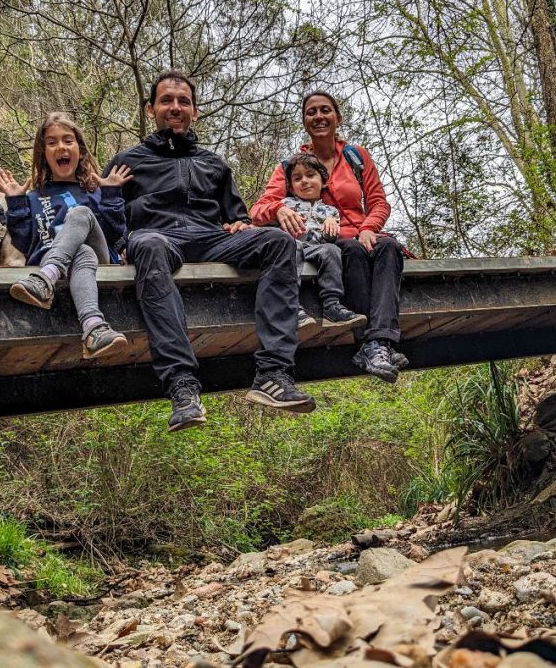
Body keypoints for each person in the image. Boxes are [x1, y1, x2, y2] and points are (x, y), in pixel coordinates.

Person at [103, 70, 316, 432]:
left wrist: (240, 223)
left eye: (183, 101)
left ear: (195, 111)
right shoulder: (128, 161)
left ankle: (273, 374)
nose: (175, 107)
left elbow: (237, 215)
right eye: (167, 100)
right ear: (151, 108)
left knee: (278, 241)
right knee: (149, 245)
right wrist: (120, 242)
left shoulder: (213, 163)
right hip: (157, 238)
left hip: (210, 238)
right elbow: (107, 215)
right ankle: (182, 387)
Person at [250, 91, 407, 383]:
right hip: (329, 242)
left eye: (325, 110)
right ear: (305, 122)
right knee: (353, 252)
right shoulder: (292, 166)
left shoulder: (356, 156)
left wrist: (369, 227)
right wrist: (278, 209)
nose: (319, 116)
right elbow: (259, 210)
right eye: (311, 112)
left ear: (337, 117)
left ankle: (378, 343)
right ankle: (370, 341)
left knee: (389, 247)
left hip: (363, 233)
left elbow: (379, 202)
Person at [0, 112, 133, 360]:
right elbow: (24, 241)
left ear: (79, 150)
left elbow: (114, 234)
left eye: (68, 140)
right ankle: (93, 328)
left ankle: (46, 278)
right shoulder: (33, 197)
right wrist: (16, 202)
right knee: (82, 251)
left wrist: (111, 193)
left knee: (80, 214)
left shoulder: (93, 192)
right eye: (52, 142)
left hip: (98, 264)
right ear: (43, 154)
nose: (61, 147)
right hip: (59, 257)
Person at [273, 153, 367, 330]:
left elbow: (329, 238)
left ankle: (332, 304)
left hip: (316, 249)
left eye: (310, 175)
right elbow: (268, 224)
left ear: (323, 182)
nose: (305, 181)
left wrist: (332, 226)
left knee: (332, 249)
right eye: (297, 178)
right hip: (294, 246)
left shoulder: (330, 211)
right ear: (291, 187)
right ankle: (292, 306)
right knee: (291, 248)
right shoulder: (285, 204)